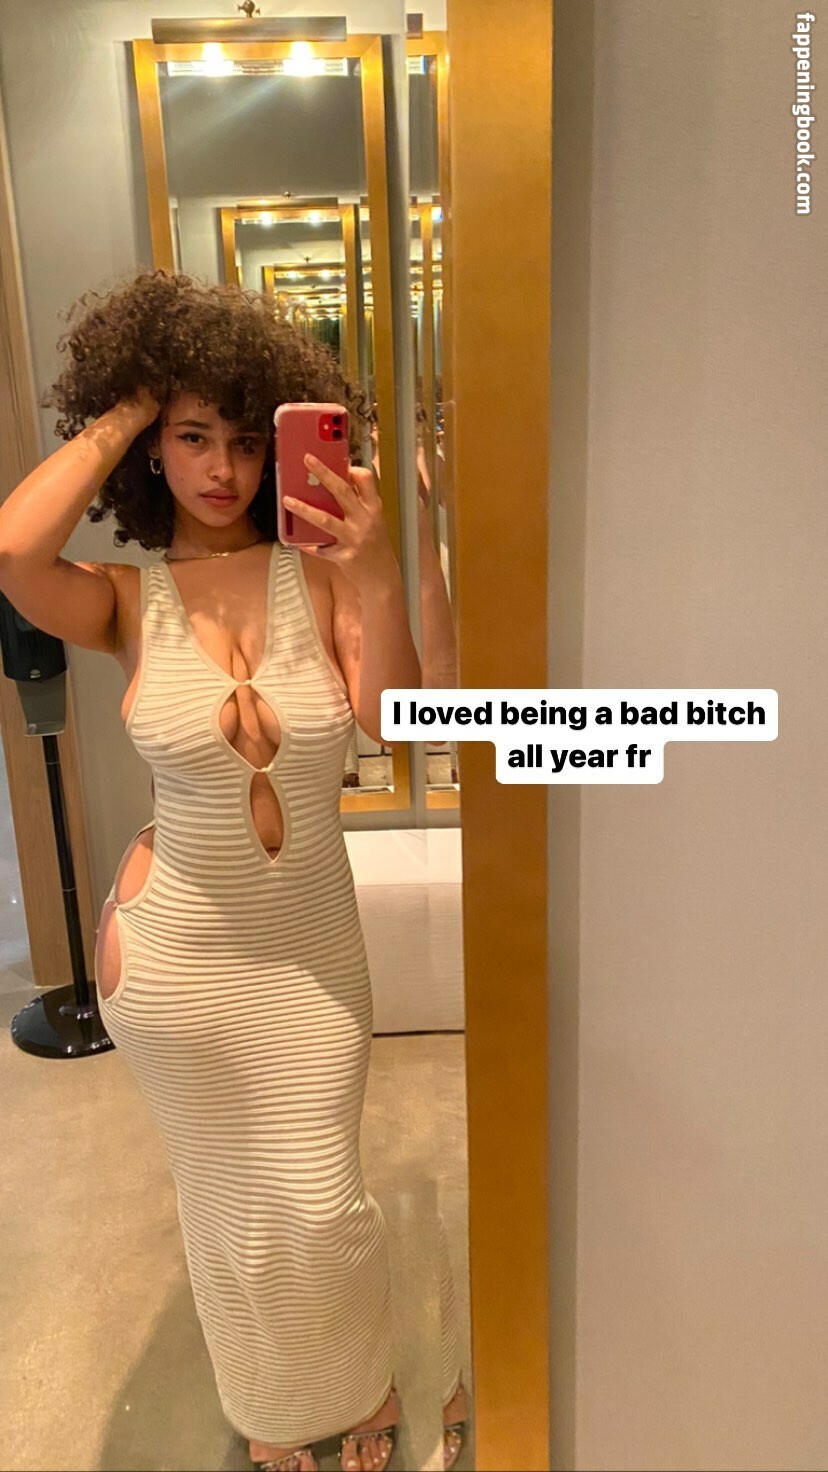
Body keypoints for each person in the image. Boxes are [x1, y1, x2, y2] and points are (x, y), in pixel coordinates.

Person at [0, 270, 466, 1472]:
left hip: (308, 952)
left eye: (247, 438)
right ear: (151, 450)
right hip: (176, 960)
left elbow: (402, 717)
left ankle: (358, 1385)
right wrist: (128, 402)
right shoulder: (124, 600)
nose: (222, 466)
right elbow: (12, 547)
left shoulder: (322, 575)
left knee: (319, 1202)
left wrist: (383, 560)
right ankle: (273, 1406)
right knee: (232, 1216)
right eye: (192, 435)